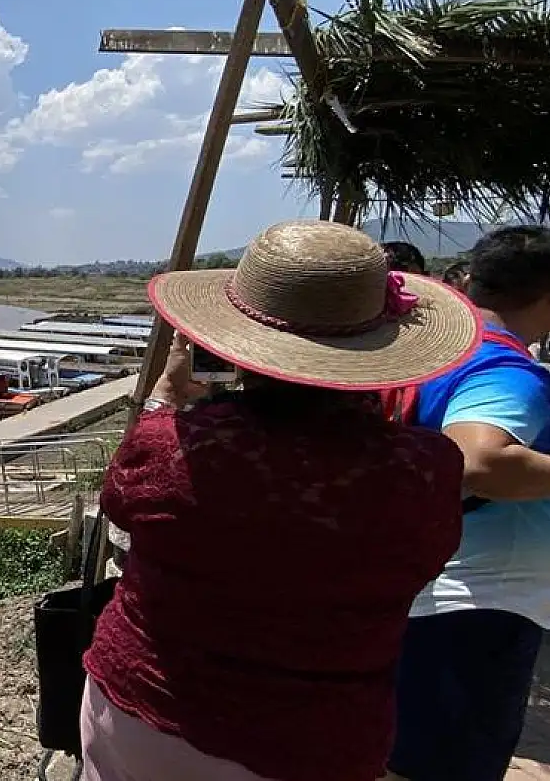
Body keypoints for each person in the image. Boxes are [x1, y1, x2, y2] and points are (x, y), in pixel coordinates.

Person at [81, 220, 481, 781]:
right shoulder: (425, 468)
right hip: (313, 741)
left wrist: (168, 396)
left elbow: (123, 501)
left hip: (143, 706)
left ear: (232, 345)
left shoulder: (177, 445)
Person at [389, 225, 550, 781]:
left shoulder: (435, 356)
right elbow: (480, 463)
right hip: (477, 606)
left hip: (423, 595)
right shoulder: (503, 369)